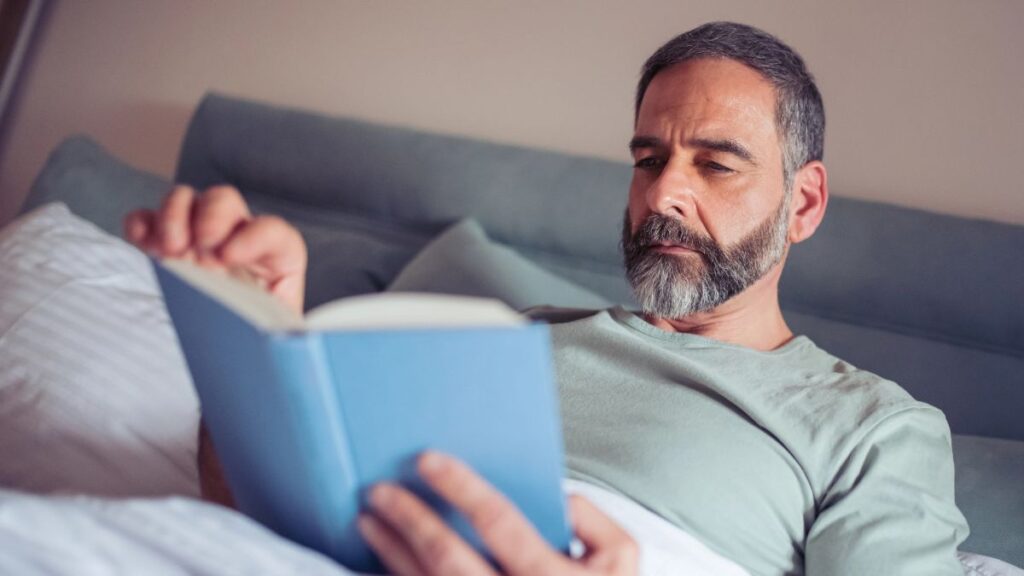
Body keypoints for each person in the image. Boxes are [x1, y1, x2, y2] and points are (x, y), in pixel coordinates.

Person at [126, 21, 968, 576]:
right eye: (647, 159)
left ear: (805, 204)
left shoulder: (873, 427)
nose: (664, 194)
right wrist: (248, 344)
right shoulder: (509, 341)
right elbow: (258, 513)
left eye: (715, 163)